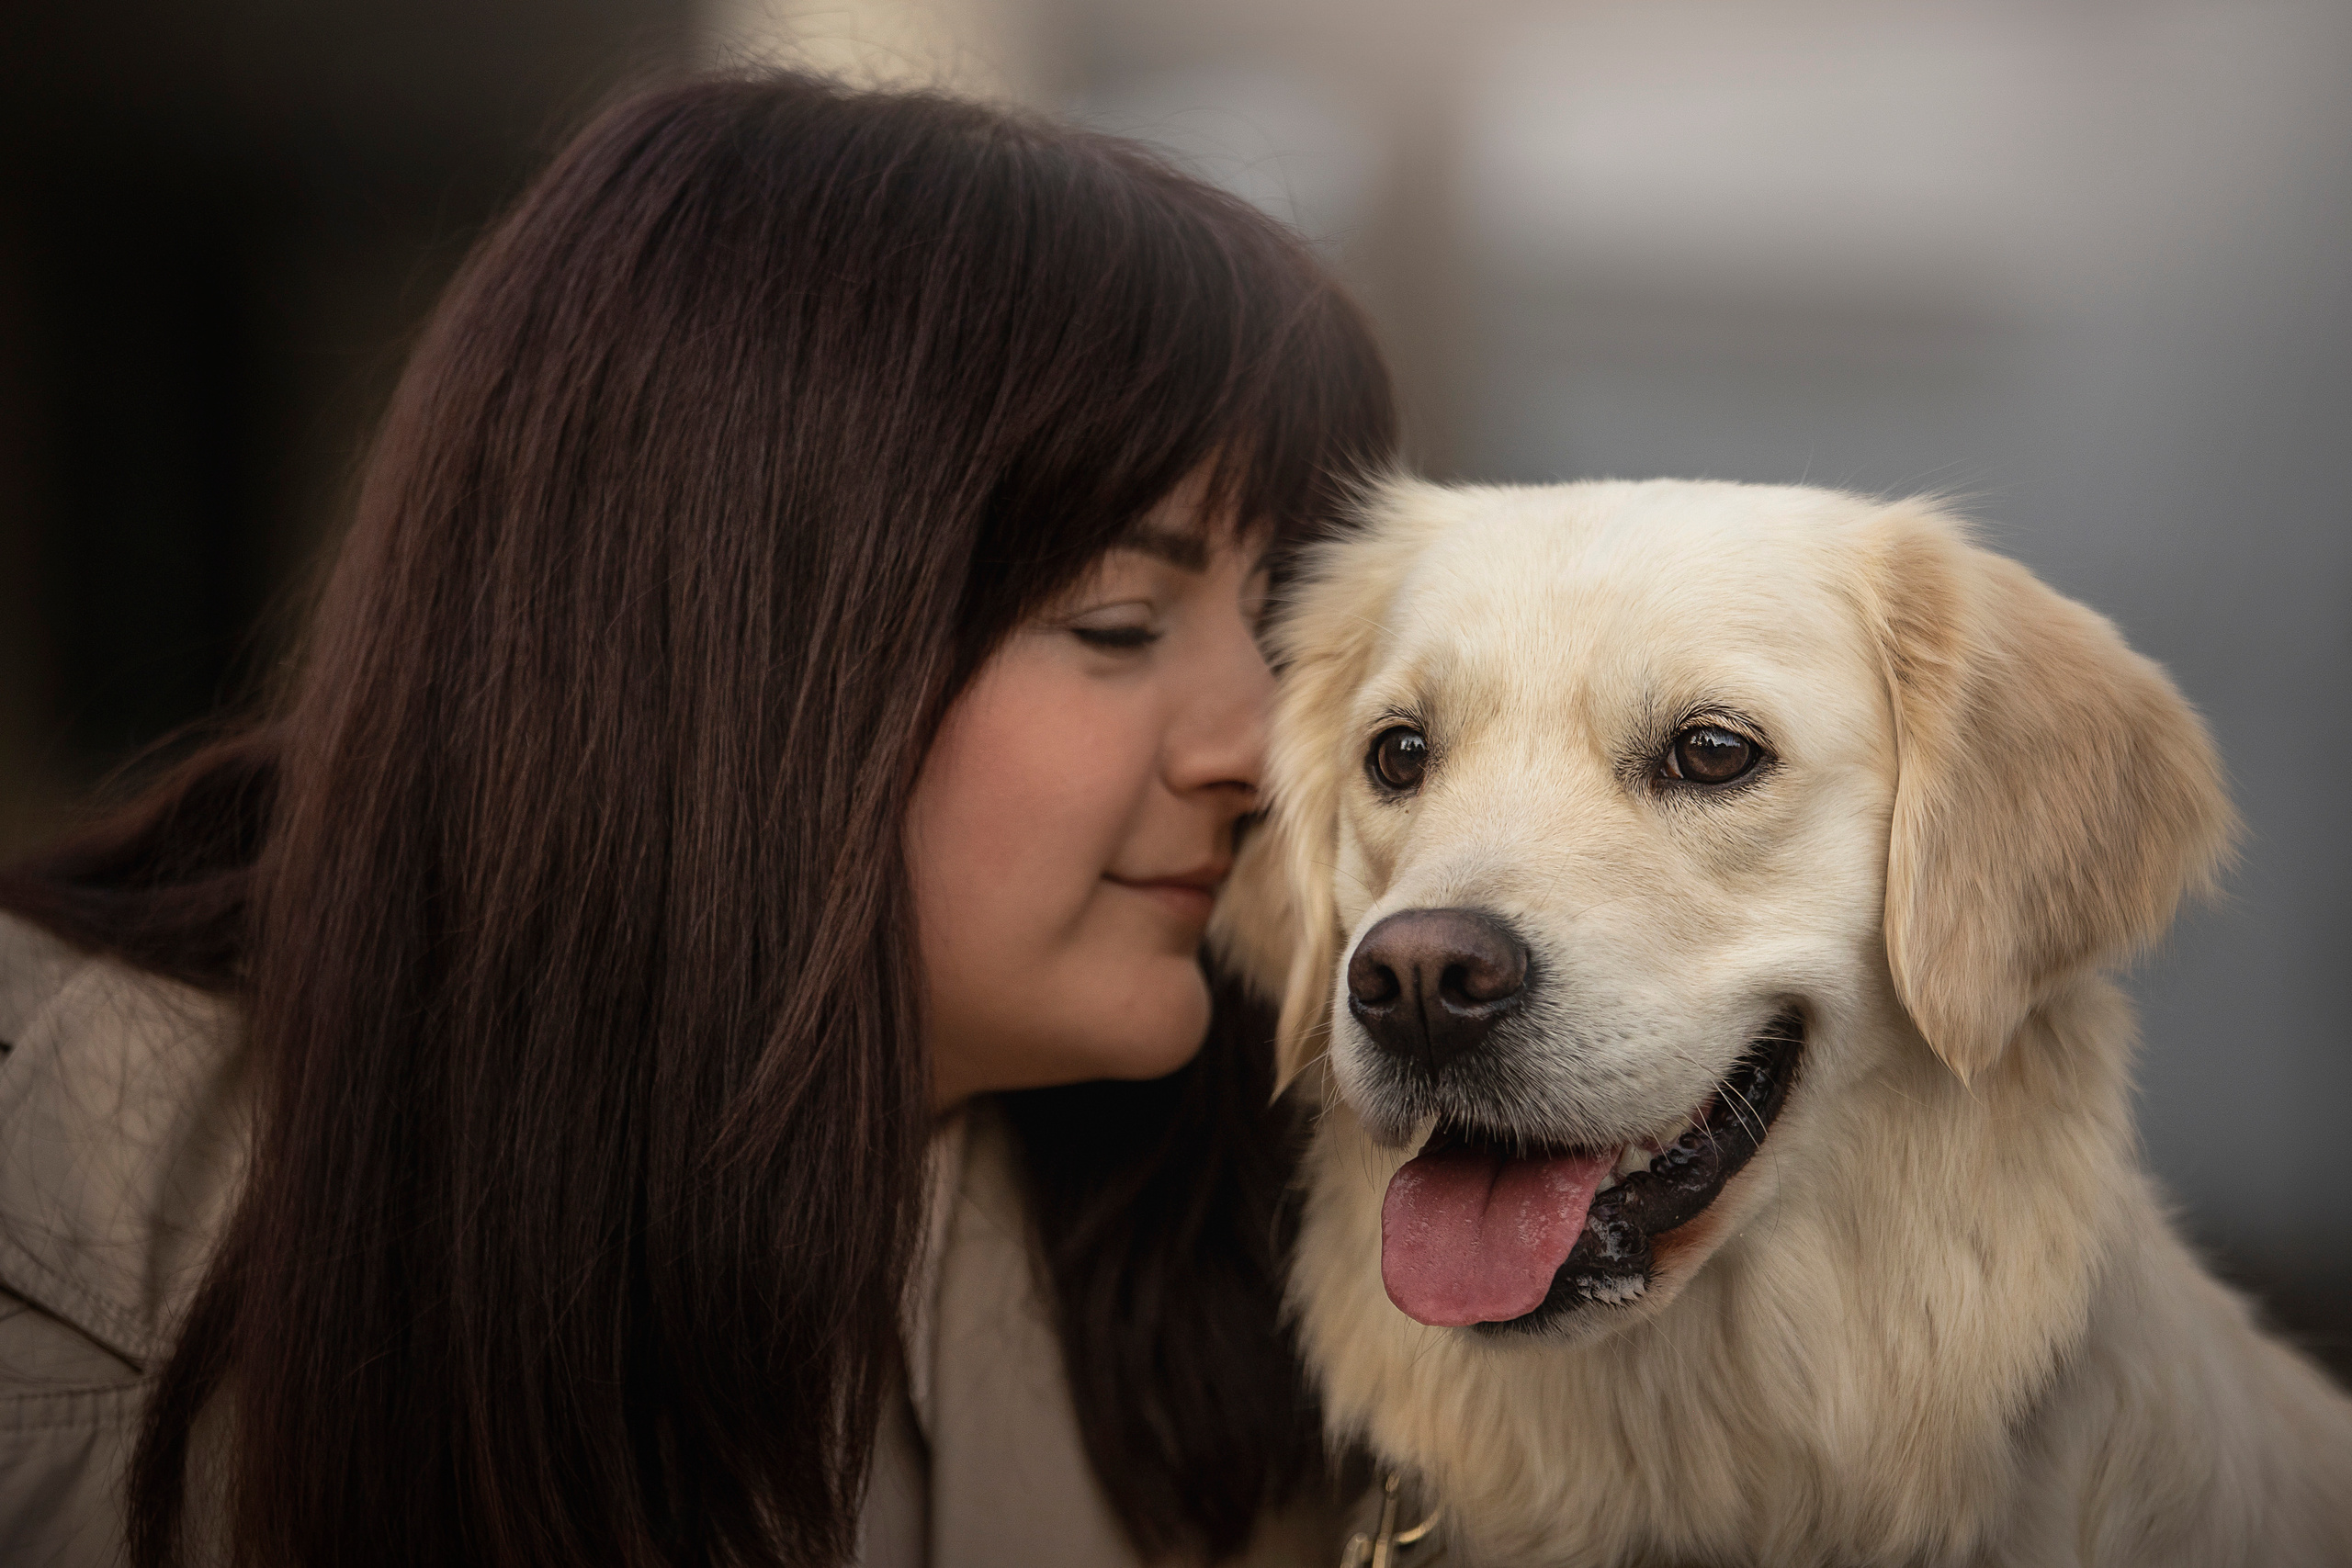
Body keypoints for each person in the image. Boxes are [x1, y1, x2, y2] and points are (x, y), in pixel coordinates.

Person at [0, 71, 1395, 1568]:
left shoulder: (1251, 1273)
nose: (1263, 748)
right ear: (729, 648)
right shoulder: (66, 1229)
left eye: (1277, 623)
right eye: (1121, 621)